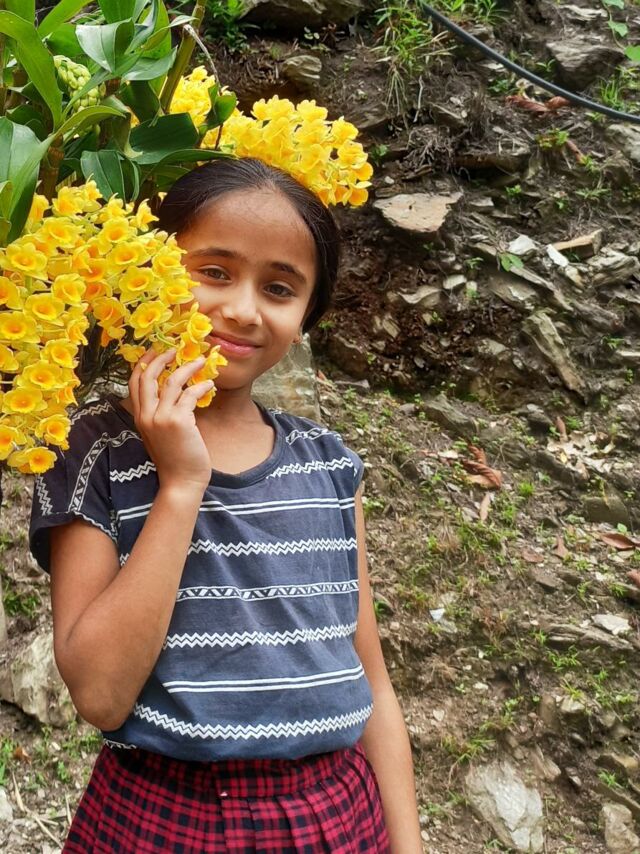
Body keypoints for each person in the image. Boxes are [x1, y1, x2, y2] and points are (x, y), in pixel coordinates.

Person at [29, 158, 422, 853]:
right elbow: (99, 694)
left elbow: (373, 685)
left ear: (306, 316)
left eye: (279, 288)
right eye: (213, 271)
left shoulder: (329, 465)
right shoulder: (93, 451)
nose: (242, 308)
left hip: (339, 815)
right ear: (151, 268)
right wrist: (182, 484)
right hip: (162, 818)